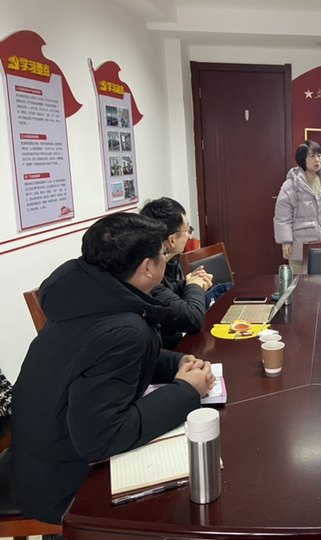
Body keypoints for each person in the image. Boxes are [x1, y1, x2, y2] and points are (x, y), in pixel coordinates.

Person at [11, 213, 215, 525]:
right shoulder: (123, 327)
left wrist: (176, 364)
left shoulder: (87, 295)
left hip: (34, 459)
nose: (167, 259)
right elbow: (101, 438)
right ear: (147, 268)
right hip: (63, 485)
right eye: (163, 254)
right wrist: (187, 391)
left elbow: (103, 362)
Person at [140, 197, 229, 349]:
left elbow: (168, 296)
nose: (190, 236)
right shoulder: (146, 274)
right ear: (172, 240)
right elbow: (192, 319)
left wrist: (188, 283)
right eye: (187, 230)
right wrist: (194, 286)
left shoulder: (169, 261)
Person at [273, 140, 321, 275]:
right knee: (300, 284)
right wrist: (285, 242)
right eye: (312, 156)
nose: (317, 160)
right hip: (300, 246)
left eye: (319, 156)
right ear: (302, 159)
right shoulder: (291, 185)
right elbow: (282, 217)